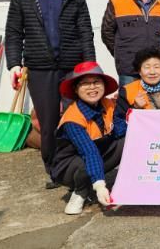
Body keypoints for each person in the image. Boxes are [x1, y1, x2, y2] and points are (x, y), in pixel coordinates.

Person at [5, 0, 95, 188]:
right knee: (48, 123)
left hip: (72, 68)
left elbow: (85, 34)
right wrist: (14, 64)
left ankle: (78, 163)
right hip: (39, 68)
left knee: (76, 118)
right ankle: (54, 169)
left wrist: (89, 67)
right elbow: (13, 33)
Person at [50, 62, 124, 215]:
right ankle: (80, 191)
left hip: (99, 153)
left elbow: (121, 129)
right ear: (76, 89)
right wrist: (100, 186)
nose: (92, 87)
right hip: (69, 165)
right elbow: (89, 151)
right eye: (85, 84)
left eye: (96, 82)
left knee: (127, 142)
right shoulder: (72, 118)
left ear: (104, 85)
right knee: (85, 164)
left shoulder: (109, 104)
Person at [114, 48, 160, 121]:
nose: (152, 72)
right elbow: (119, 122)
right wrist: (135, 108)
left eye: (157, 67)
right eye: (147, 67)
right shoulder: (127, 91)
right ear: (139, 71)